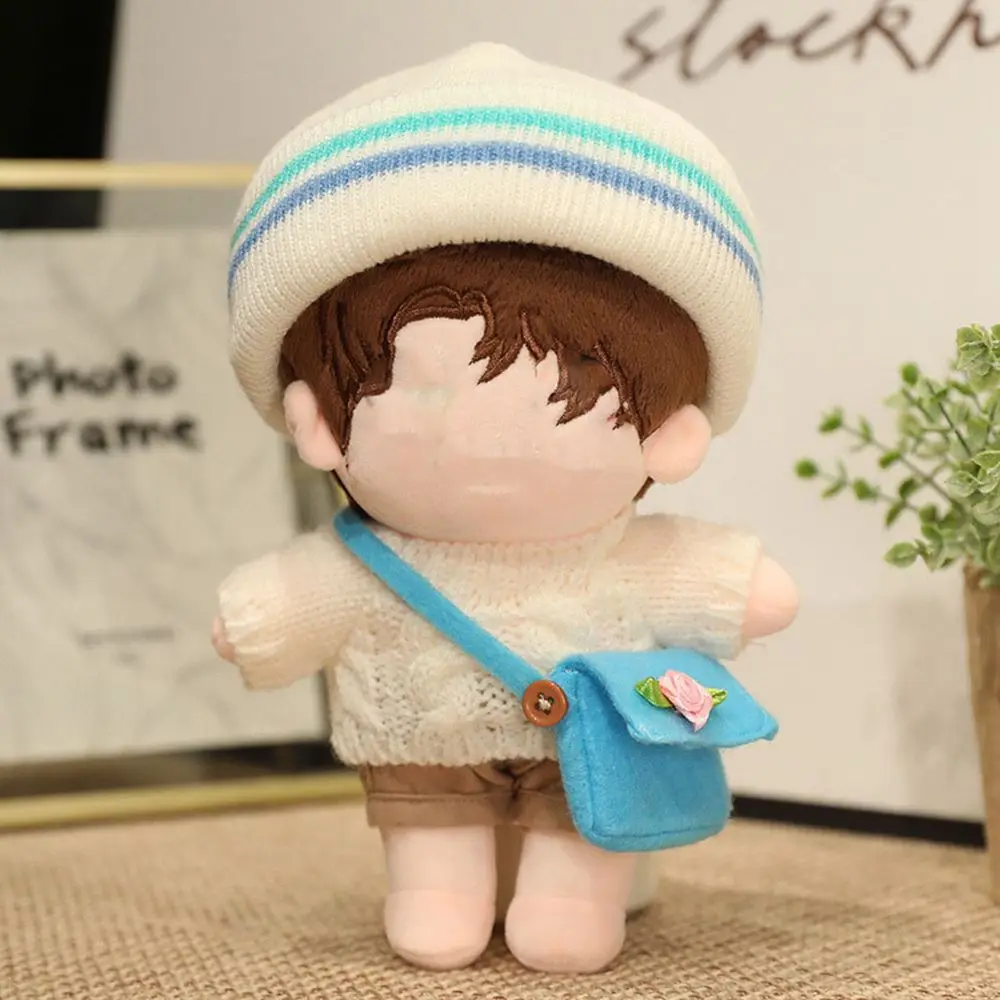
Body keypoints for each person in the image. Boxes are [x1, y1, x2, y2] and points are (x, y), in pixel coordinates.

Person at [212, 42, 797, 975]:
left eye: (568, 391)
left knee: (576, 835)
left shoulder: (623, 558)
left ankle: (568, 899)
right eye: (420, 392)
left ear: (672, 436)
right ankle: (438, 893)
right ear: (317, 423)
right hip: (424, 757)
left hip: (584, 763)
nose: (486, 436)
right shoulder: (366, 566)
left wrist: (741, 591)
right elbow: (298, 601)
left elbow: (712, 584)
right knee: (433, 845)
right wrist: (261, 620)